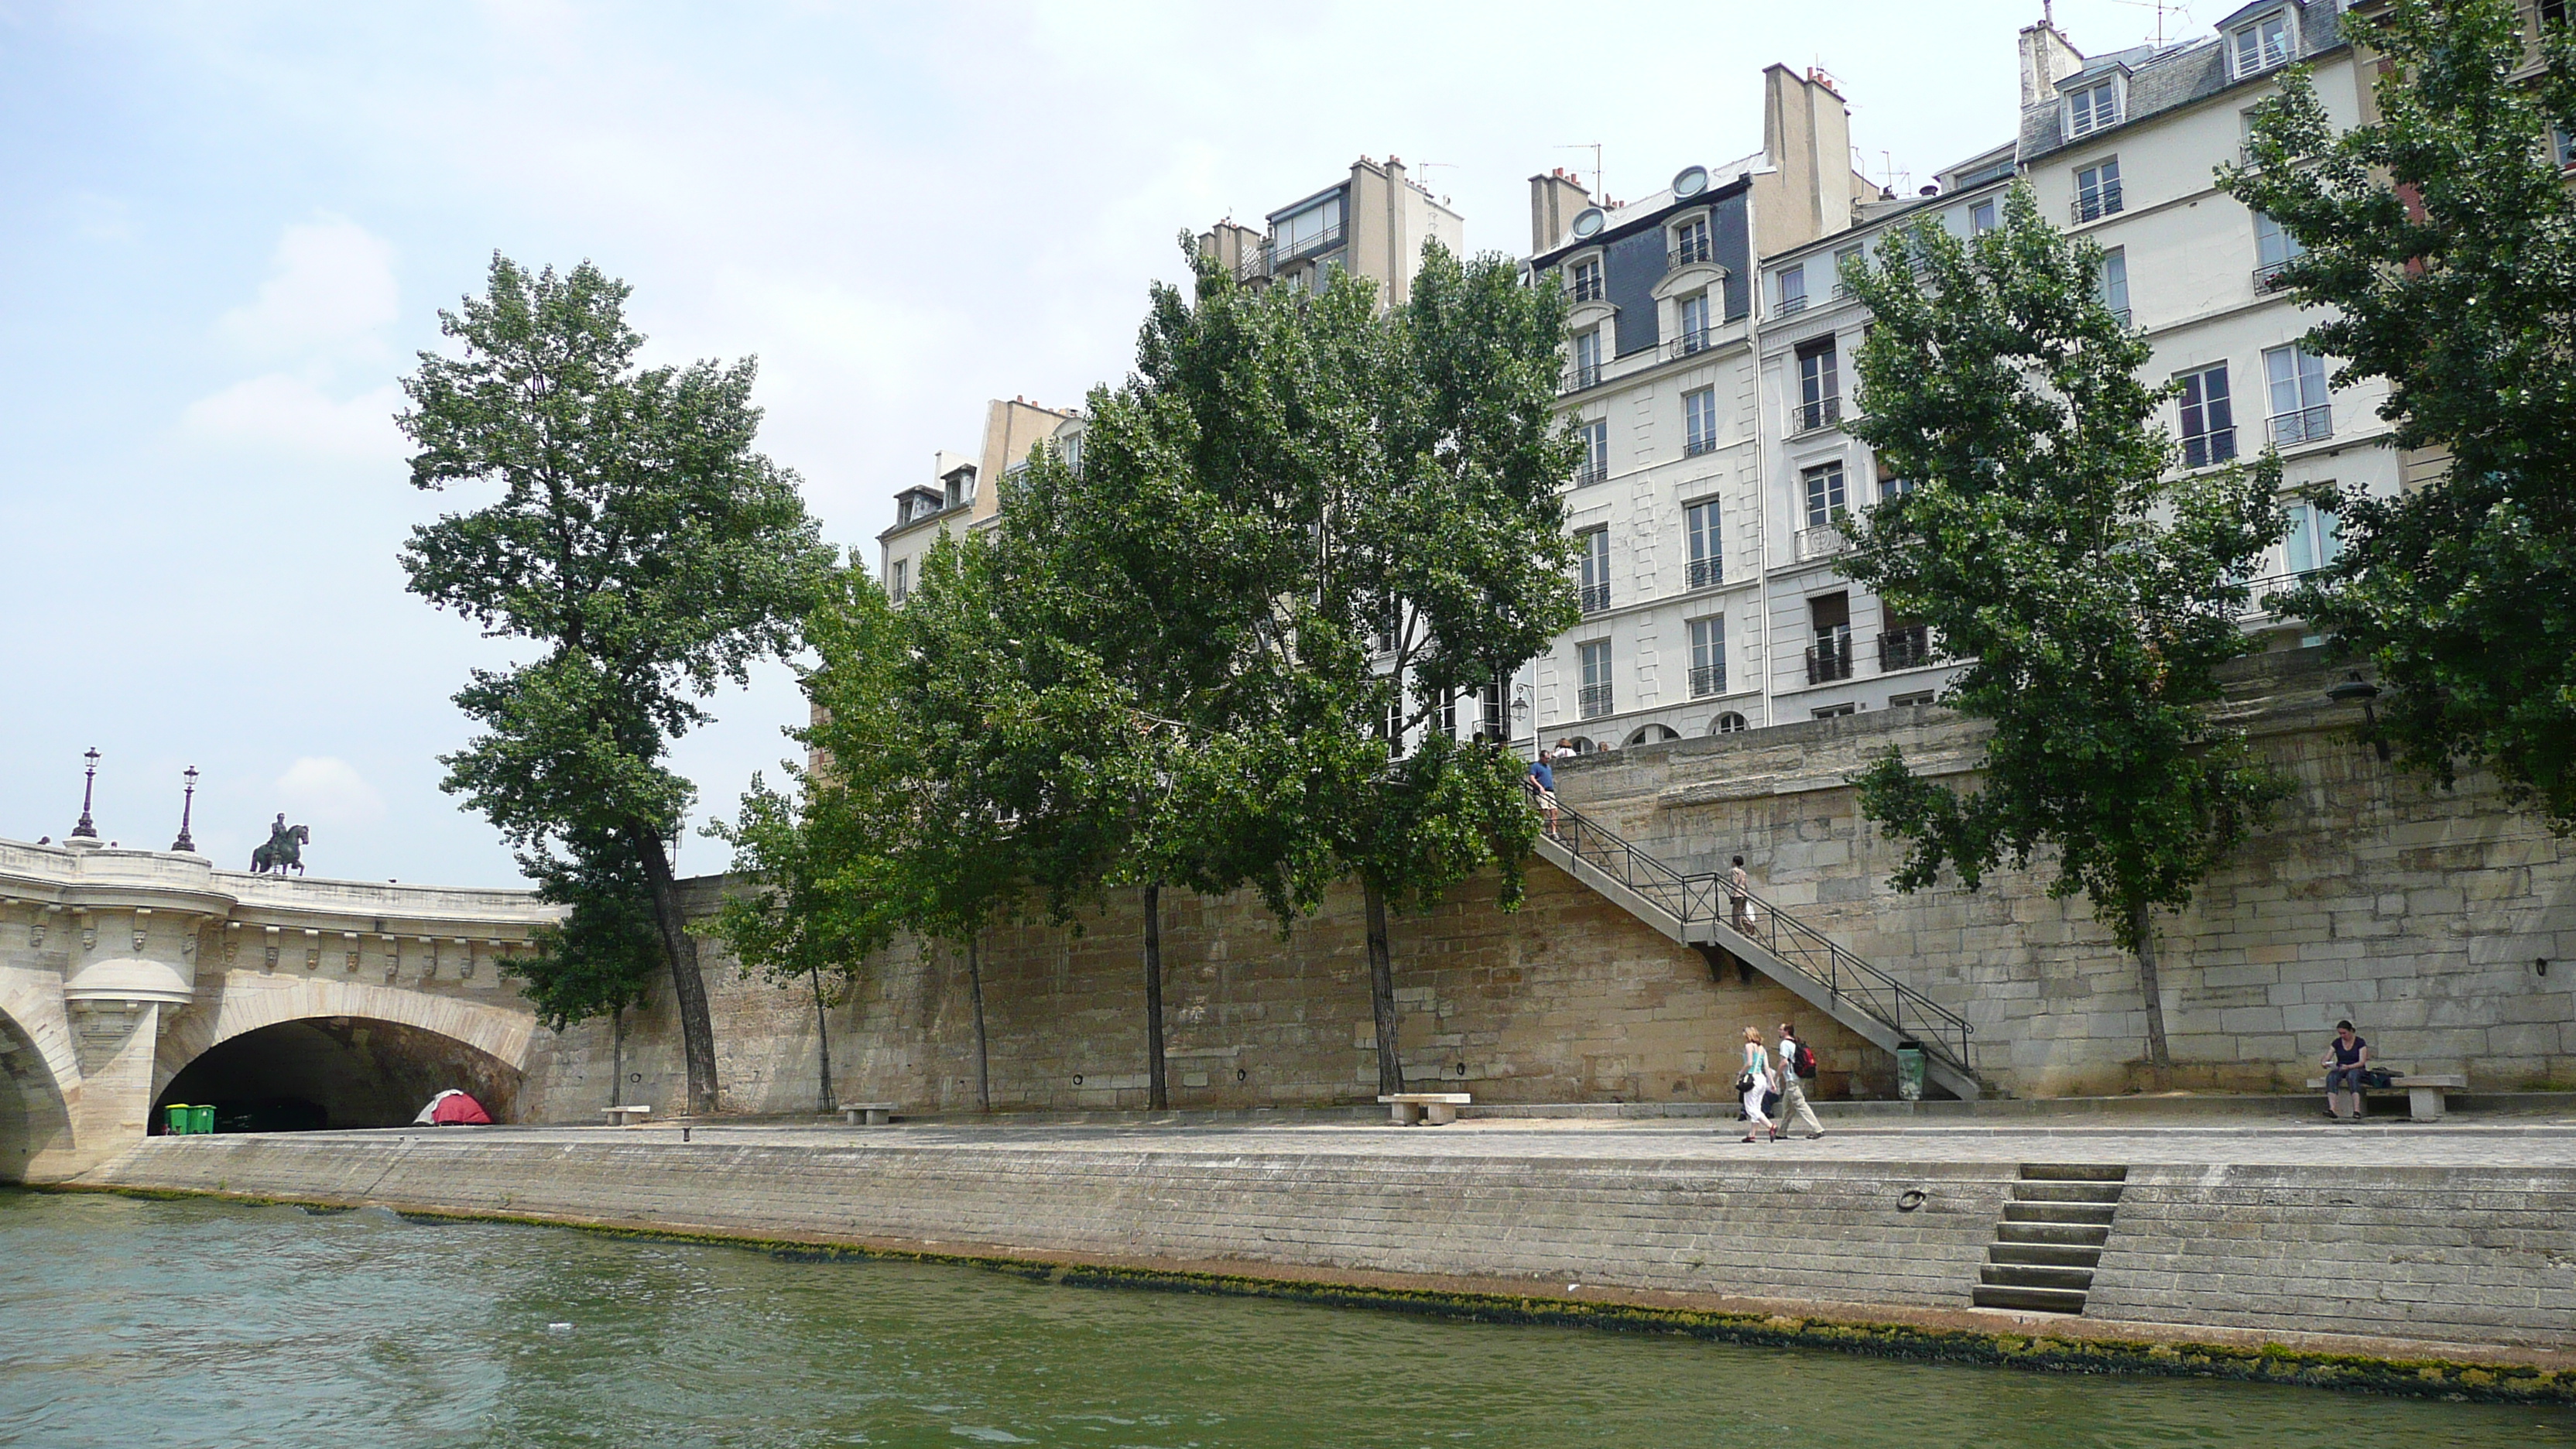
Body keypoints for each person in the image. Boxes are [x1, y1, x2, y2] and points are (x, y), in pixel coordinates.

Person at [1776, 1022, 1825, 1140]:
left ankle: (1818, 1129)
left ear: (1786, 1031)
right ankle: (1781, 1132)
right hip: (1798, 1079)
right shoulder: (1795, 1043)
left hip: (1792, 1080)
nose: (1779, 1031)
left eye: (1781, 1029)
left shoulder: (1785, 1044)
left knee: (1800, 1104)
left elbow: (1784, 1062)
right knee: (1788, 1107)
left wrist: (1775, 1077)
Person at [2321, 1019, 2371, 1120]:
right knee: (2331, 1077)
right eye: (2340, 1034)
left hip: (2357, 1068)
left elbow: (2362, 1062)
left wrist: (2349, 1067)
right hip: (2341, 1068)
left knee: (2352, 1076)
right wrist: (2324, 1063)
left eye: (2344, 1033)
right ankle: (2332, 1109)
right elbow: (2328, 1056)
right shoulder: (2337, 1042)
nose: (2342, 1036)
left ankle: (2357, 1110)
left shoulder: (2360, 1042)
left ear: (2351, 1031)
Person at [1738, 1026, 1778, 1143]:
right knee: (1757, 1108)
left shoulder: (1749, 1046)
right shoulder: (1762, 1049)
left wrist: (1741, 1073)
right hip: (1762, 1079)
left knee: (1750, 1108)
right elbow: (1766, 1067)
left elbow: (1749, 1063)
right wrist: (1772, 1082)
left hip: (1752, 1078)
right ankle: (1752, 1134)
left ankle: (1771, 1126)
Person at [1526, 750, 1560, 837]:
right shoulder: (1536, 766)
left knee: (1554, 810)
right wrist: (1539, 786)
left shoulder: (1548, 767)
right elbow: (1531, 778)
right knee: (1543, 809)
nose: (1548, 760)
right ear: (1541, 757)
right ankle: (1539, 828)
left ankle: (1554, 832)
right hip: (1541, 791)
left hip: (1550, 791)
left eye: (1549, 758)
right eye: (1546, 758)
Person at [1727, 855, 1752, 933]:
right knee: (1742, 913)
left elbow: (1735, 883)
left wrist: (1731, 895)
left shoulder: (1734, 871)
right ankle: (1749, 925)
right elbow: (1746, 884)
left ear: (1734, 862)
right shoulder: (1743, 872)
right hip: (1744, 893)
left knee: (1736, 913)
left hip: (1738, 894)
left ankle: (1739, 929)